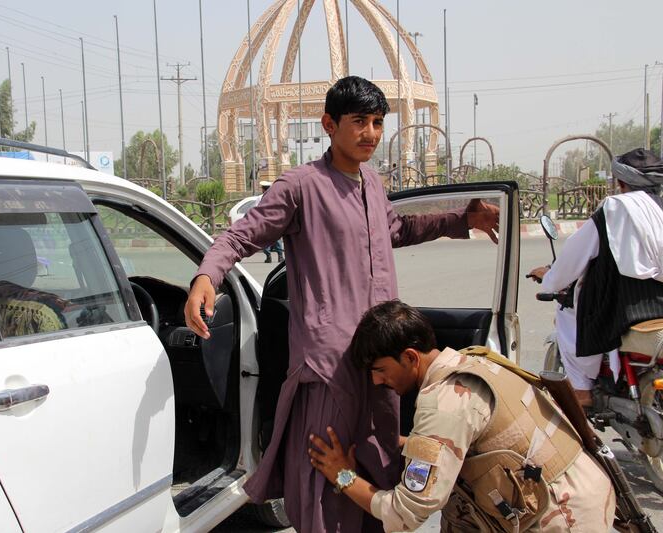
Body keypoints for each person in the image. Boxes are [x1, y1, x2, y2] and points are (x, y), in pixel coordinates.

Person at [185, 76, 499, 532]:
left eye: (377, 123)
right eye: (359, 122)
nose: (370, 133)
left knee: (378, 456)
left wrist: (461, 219)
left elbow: (399, 231)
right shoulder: (300, 186)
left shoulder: (372, 184)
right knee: (322, 474)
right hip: (329, 364)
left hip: (381, 360)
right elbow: (240, 235)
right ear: (329, 124)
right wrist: (206, 277)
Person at [308, 299, 616, 532]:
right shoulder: (474, 359)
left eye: (380, 370)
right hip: (582, 487)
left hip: (563, 517)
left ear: (410, 357)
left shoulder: (445, 402)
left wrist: (343, 475)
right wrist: (409, 442)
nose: (377, 381)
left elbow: (405, 513)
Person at [529, 148, 663, 407]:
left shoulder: (613, 210)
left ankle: (581, 389)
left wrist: (550, 279)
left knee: (568, 312)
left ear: (621, 182)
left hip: (623, 312)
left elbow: (572, 260)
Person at [258, 180, 284, 263]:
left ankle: (268, 257)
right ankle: (280, 256)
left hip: (265, 221)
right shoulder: (277, 196)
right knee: (277, 239)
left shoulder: (260, 198)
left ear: (263, 189)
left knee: (266, 239)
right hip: (276, 221)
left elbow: (256, 209)